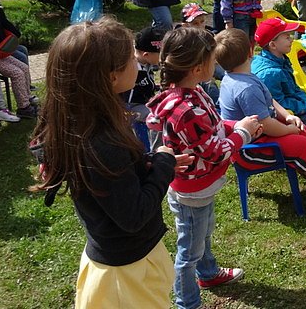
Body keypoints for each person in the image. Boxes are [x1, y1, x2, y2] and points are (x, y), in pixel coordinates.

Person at [30, 18, 191, 308]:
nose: (137, 63)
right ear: (110, 77)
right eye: (130, 58)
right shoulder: (101, 141)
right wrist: (164, 164)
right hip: (126, 277)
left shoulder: (81, 121)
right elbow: (133, 216)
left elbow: (116, 182)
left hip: (125, 263)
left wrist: (149, 163)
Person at [146, 26, 261, 309]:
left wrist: (234, 125)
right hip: (192, 191)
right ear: (198, 68)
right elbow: (215, 153)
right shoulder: (186, 109)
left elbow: (211, 127)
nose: (216, 64)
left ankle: (208, 274)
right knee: (189, 252)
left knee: (203, 234)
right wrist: (243, 133)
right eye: (213, 60)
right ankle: (188, 303)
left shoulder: (192, 92)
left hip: (199, 188)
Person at [217, 28, 306, 196]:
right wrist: (288, 130)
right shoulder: (246, 88)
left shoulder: (241, 76)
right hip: (249, 149)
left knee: (301, 129)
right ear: (250, 52)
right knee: (300, 143)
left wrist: (288, 116)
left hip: (258, 135)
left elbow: (270, 99)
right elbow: (265, 125)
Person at [251, 18, 306, 145]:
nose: (292, 39)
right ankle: (304, 154)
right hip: (278, 118)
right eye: (287, 37)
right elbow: (278, 105)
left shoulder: (280, 58)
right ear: (273, 45)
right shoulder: (269, 73)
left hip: (291, 106)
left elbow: (293, 90)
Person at [125, 26, 167, 152]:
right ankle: (156, 150)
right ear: (146, 54)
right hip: (131, 108)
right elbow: (124, 100)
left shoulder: (146, 63)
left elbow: (147, 84)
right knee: (159, 117)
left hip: (143, 102)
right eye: (161, 54)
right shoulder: (133, 70)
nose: (163, 57)